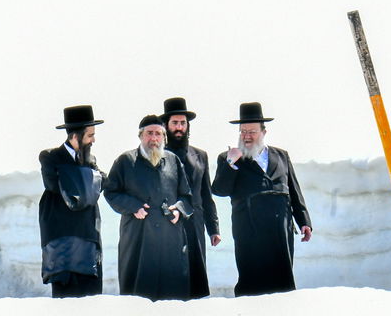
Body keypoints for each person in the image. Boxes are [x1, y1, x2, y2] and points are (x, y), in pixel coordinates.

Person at [211, 102, 312, 296]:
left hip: (280, 230)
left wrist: (304, 221)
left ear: (263, 132)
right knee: (252, 283)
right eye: (243, 132)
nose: (247, 136)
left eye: (252, 132)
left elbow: (293, 190)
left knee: (282, 282)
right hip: (249, 231)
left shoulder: (281, 156)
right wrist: (231, 163)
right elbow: (219, 190)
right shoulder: (229, 158)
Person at [103, 115, 202, 301]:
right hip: (138, 238)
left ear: (164, 137)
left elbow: (187, 197)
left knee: (172, 298)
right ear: (140, 135)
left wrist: (178, 210)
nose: (154, 138)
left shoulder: (173, 161)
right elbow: (110, 191)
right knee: (138, 297)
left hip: (170, 239)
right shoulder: (125, 161)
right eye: (149, 133)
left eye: (158, 134)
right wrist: (133, 206)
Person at [38, 105, 105, 298]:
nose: (93, 140)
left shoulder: (90, 159)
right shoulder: (50, 157)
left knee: (92, 300)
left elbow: (102, 182)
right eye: (90, 135)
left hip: (88, 238)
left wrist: (80, 178)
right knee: (65, 302)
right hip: (63, 244)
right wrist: (89, 178)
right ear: (75, 136)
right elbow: (54, 185)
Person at [162, 96, 220, 298]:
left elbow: (206, 195)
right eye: (174, 123)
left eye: (182, 123)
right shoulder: (158, 154)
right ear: (166, 125)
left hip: (195, 225)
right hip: (168, 224)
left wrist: (213, 228)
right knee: (170, 281)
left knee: (196, 283)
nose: (179, 127)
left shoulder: (200, 155)